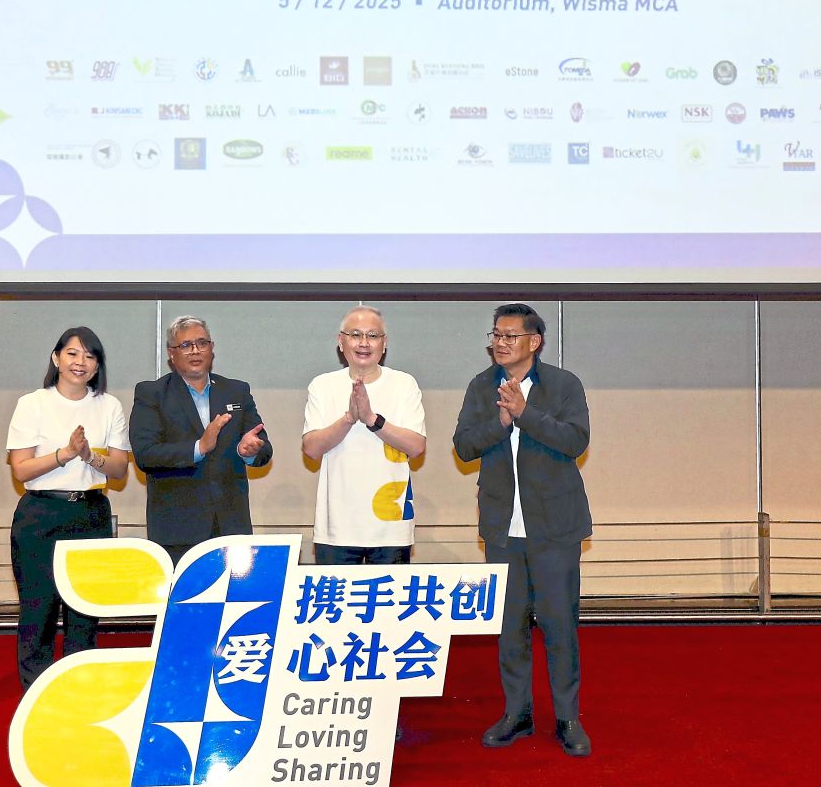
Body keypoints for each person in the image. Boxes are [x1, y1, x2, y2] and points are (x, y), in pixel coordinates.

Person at [452, 302, 593, 758]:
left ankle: (568, 718)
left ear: (534, 342)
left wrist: (526, 413)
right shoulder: (481, 386)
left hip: (554, 526)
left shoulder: (563, 385)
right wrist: (501, 421)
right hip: (501, 527)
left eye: (510, 335)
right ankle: (518, 713)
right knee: (509, 626)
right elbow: (464, 446)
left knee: (558, 625)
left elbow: (576, 440)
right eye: (495, 334)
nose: (499, 342)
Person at [6, 326, 130, 690]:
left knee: (85, 612)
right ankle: (37, 695)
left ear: (97, 366)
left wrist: (91, 456)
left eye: (90, 356)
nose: (81, 362)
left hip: (90, 513)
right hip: (41, 514)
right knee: (38, 611)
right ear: (56, 358)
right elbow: (21, 468)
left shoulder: (109, 406)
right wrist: (65, 454)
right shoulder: (33, 403)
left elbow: (121, 469)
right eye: (73, 353)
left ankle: (79, 693)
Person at [130, 316, 272, 565]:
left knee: (237, 603)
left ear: (212, 348)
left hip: (231, 527)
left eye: (201, 343)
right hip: (178, 531)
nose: (195, 351)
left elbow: (263, 448)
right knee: (184, 603)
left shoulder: (236, 391)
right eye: (186, 345)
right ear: (171, 354)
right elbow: (145, 454)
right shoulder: (151, 394)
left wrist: (248, 451)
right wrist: (199, 447)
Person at [302, 305, 426, 565]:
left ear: (384, 344)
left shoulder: (404, 384)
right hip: (336, 529)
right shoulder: (323, 385)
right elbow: (311, 449)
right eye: (355, 335)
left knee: (389, 605)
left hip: (390, 528)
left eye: (373, 335)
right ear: (341, 341)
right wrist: (349, 418)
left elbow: (416, 446)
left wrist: (371, 419)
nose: (364, 343)